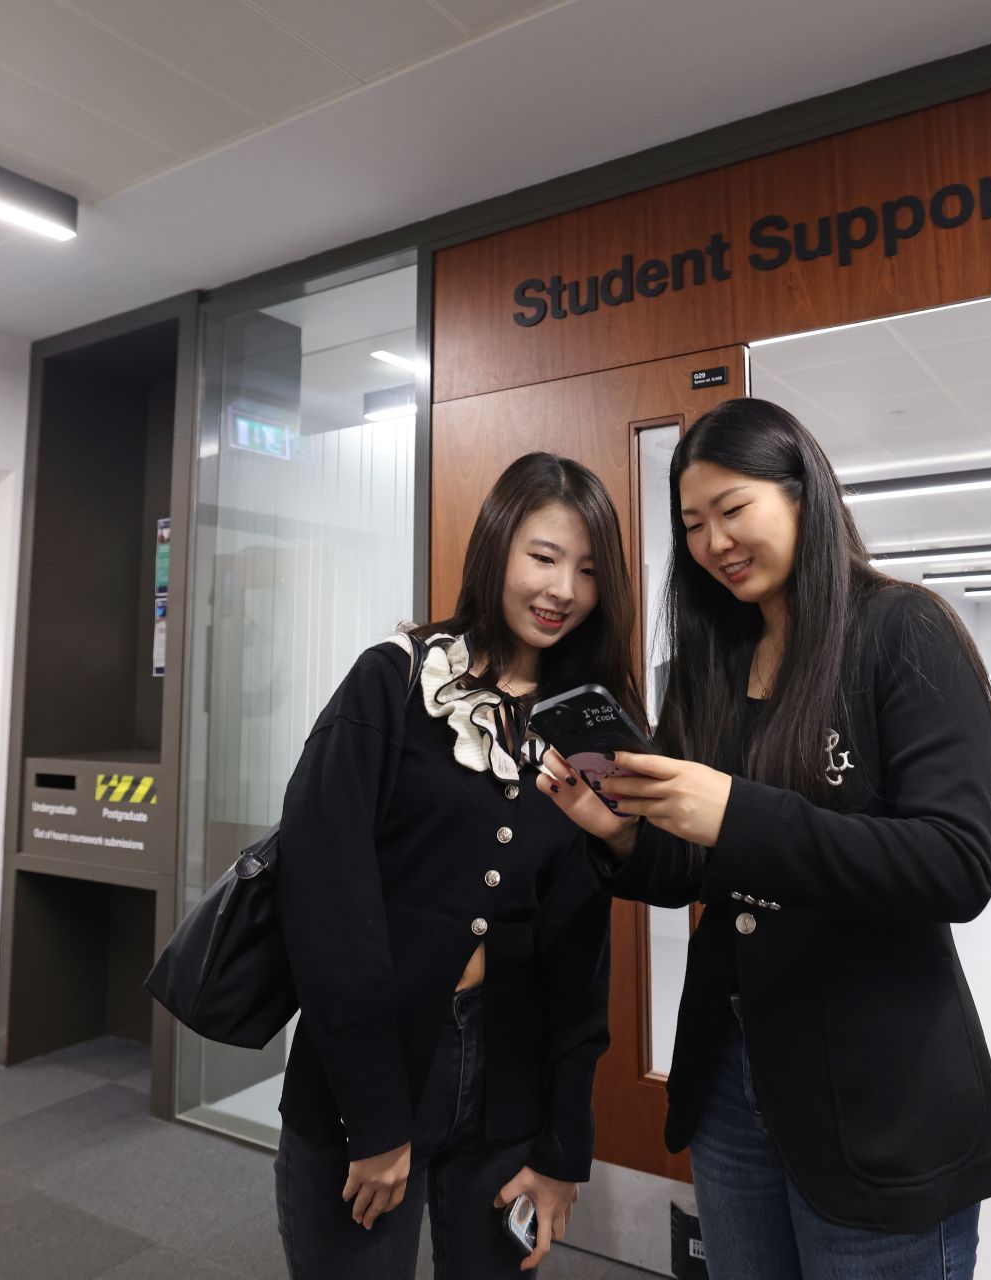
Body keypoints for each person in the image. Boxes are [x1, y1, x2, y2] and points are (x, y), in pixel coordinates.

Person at [540, 398, 991, 1279]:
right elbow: (693, 865)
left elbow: (956, 864)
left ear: (805, 494)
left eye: (734, 510)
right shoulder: (712, 663)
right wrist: (616, 834)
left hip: (878, 1093)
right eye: (692, 524)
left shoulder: (902, 631)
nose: (714, 542)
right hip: (732, 1076)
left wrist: (736, 812)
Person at [274, 452, 643, 1277]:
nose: (563, 591)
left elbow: (581, 951)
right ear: (496, 547)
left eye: (586, 571)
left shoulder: (585, 731)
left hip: (510, 1079)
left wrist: (562, 1150)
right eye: (543, 557)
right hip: (368, 1063)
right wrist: (373, 1118)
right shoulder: (395, 682)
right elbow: (327, 899)